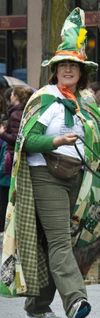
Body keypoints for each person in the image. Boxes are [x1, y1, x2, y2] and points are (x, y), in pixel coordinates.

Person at [0, 8, 100, 318]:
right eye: (63, 66)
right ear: (55, 70)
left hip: (78, 179)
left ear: (81, 71)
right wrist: (55, 141)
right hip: (44, 176)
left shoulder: (87, 102)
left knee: (58, 242)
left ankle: (38, 305)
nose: (68, 69)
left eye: (74, 65)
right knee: (60, 240)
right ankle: (76, 302)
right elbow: (26, 140)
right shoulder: (44, 98)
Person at [0, 86, 33, 232]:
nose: (10, 96)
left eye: (12, 94)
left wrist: (2, 133)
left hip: (12, 157)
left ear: (16, 96)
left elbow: (16, 138)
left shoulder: (15, 114)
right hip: (16, 157)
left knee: (7, 194)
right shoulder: (23, 111)